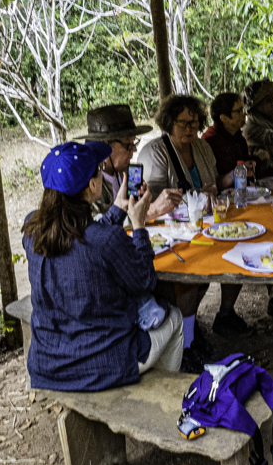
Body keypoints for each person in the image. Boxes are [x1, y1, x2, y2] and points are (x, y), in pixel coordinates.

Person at [22, 141, 184, 391]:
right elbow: (145, 281)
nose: (101, 173)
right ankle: (162, 394)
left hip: (48, 364)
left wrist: (118, 210)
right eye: (99, 170)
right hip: (103, 365)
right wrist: (139, 225)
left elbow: (80, 236)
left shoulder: (32, 228)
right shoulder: (106, 240)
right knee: (174, 318)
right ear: (92, 185)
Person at [137, 95, 251, 350]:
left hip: (204, 225)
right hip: (171, 233)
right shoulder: (155, 153)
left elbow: (213, 184)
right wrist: (194, 196)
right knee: (188, 279)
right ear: (169, 123)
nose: (190, 128)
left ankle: (198, 326)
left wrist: (228, 179)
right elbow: (150, 203)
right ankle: (186, 342)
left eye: (195, 122)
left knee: (236, 247)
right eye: (183, 123)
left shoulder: (201, 147)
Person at [82, 104, 183, 219]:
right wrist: (151, 211)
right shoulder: (86, 181)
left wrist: (145, 201)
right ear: (105, 145)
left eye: (134, 142)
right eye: (128, 144)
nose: (134, 149)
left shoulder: (126, 171)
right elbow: (98, 225)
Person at [202, 92, 257, 190]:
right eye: (239, 111)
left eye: (243, 109)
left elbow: (245, 167)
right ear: (224, 118)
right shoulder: (210, 141)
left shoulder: (238, 137)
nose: (244, 114)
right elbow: (214, 181)